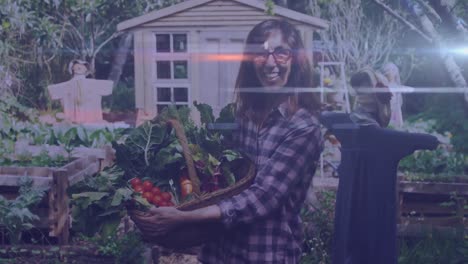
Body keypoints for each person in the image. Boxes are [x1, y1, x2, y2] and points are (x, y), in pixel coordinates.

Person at [130, 19, 323, 264]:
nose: (270, 63)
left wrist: (183, 217)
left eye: (281, 53)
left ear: (295, 60)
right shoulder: (245, 115)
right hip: (218, 252)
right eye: (260, 54)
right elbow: (221, 174)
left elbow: (263, 197)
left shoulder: (303, 127)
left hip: (264, 254)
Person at [322, 69, 439, 264]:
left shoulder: (344, 125)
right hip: (375, 223)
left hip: (348, 221)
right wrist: (436, 140)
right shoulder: (388, 140)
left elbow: (324, 116)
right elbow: (425, 140)